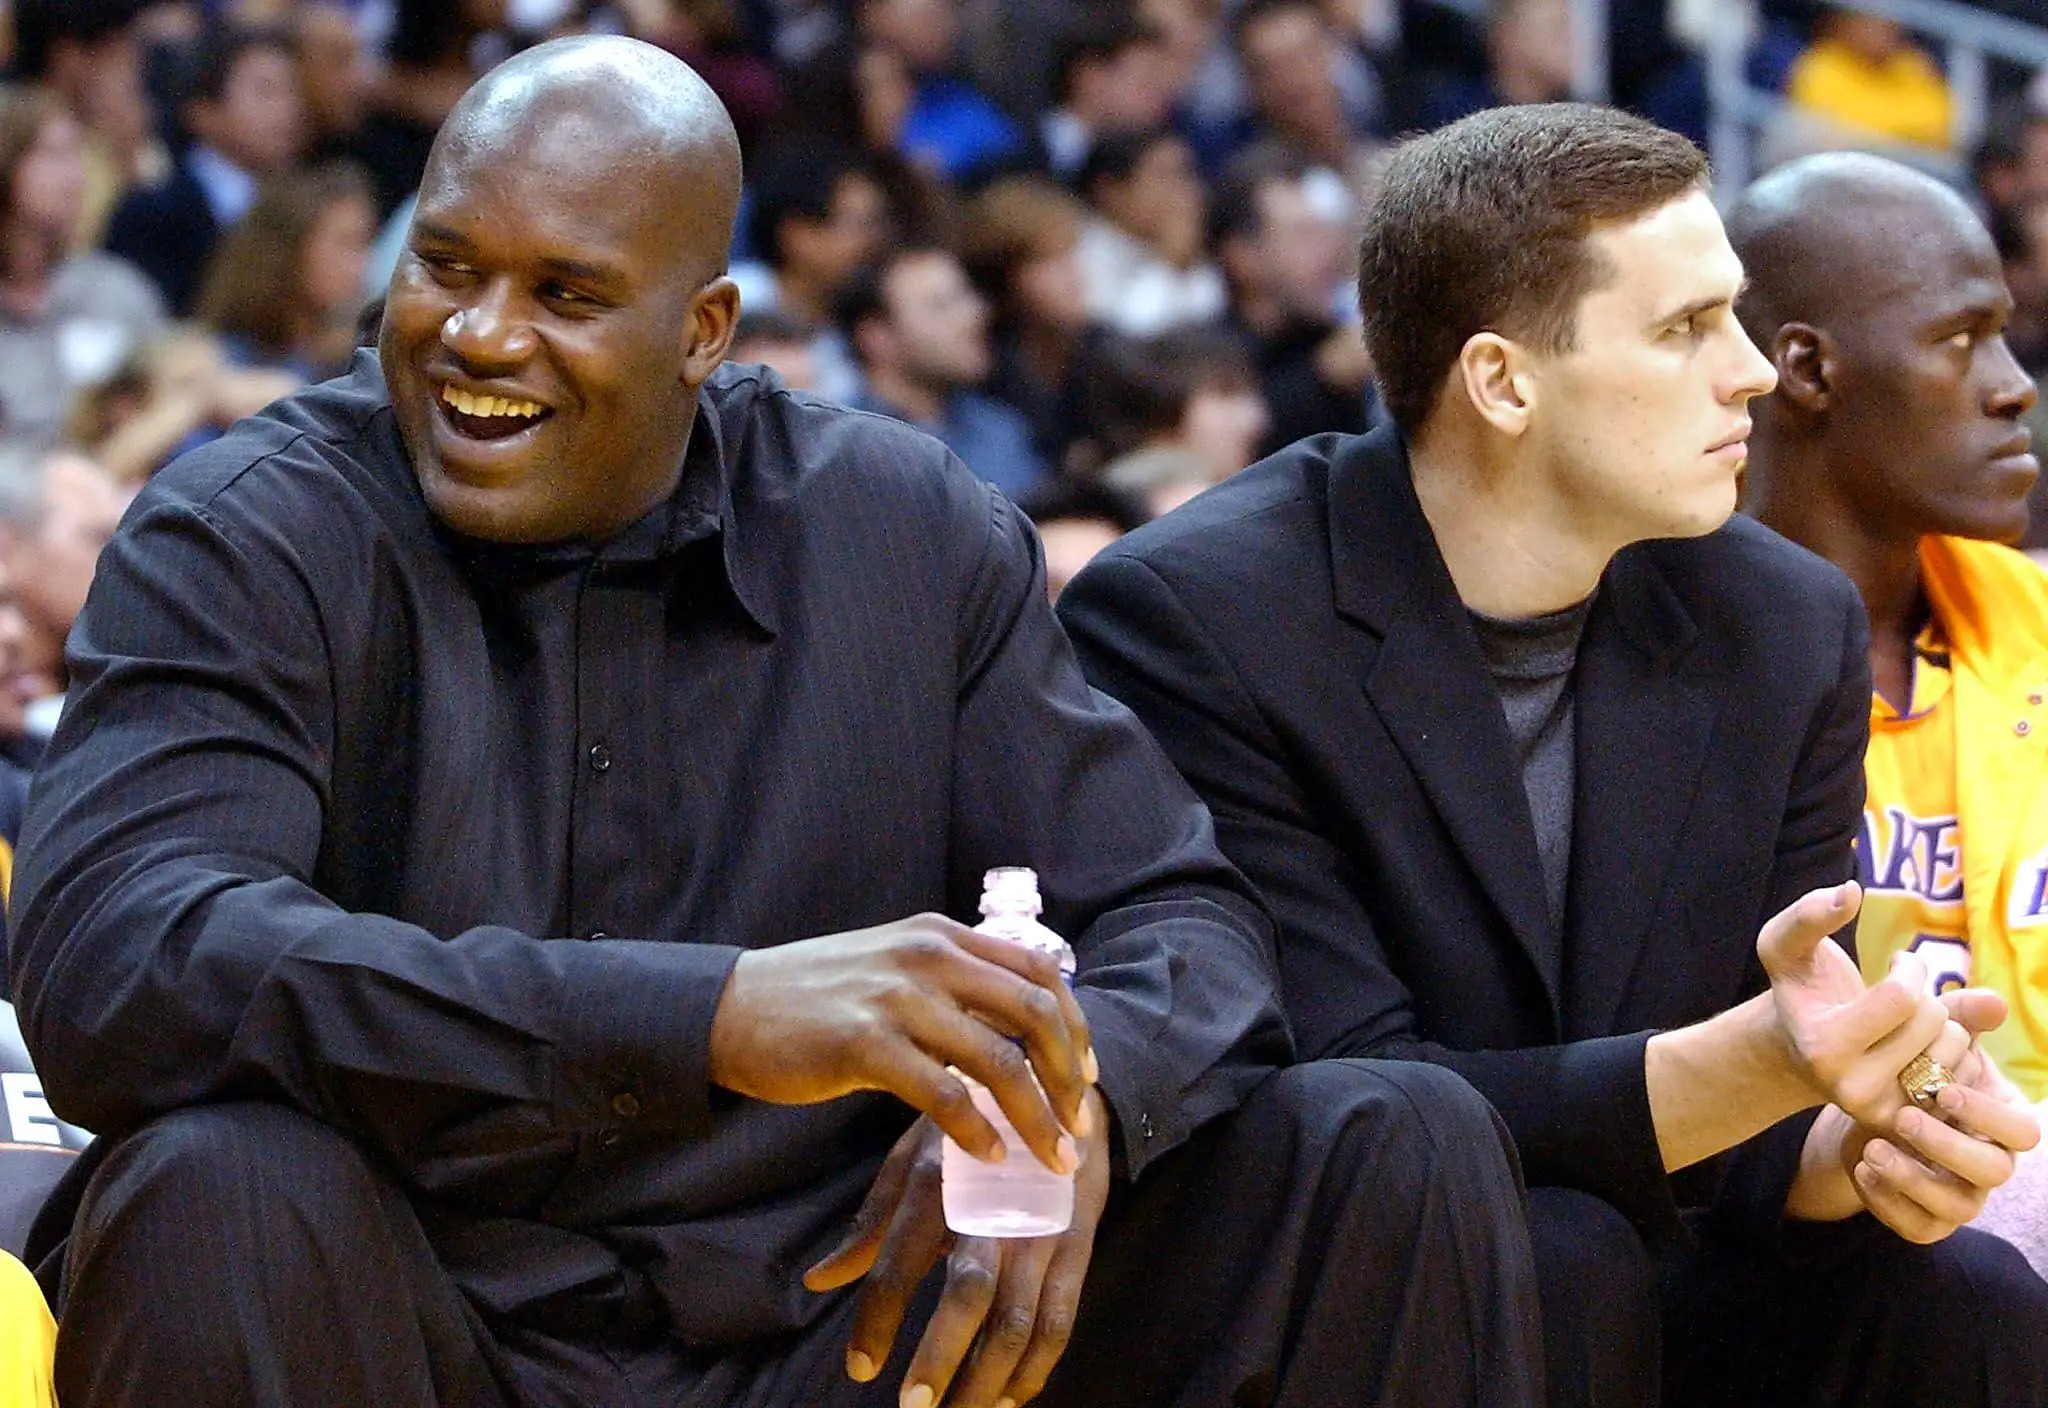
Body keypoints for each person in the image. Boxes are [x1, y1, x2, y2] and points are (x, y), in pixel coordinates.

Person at [9, 35, 1546, 1408]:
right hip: (412, 1312)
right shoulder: (249, 531)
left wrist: (1069, 1105)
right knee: (218, 1185)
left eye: (565, 294)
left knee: (1389, 1144)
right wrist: (708, 1015)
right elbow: (123, 956)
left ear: (705, 331)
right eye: (445, 266)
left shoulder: (900, 526)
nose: (478, 335)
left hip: (854, 1326)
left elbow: (1181, 919)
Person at [1059, 102, 2048, 1408]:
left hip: (1629, 1245)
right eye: (1688, 328)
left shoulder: (1782, 621)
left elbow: (1749, 1124)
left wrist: (1856, 1145)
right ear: (1503, 382)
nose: (1750, 369)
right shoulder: (1196, 617)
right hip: (1339, 1266)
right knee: (1555, 1252)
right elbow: (1342, 1104)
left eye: (1737, 316)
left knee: (1961, 1293)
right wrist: (1761, 1066)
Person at [1731, 153, 2048, 1283]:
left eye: (2004, 338)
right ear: (1806, 369)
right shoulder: (1665, 662)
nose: (2013, 385)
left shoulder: (2034, 617)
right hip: (1831, 1241)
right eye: (1960, 341)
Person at [102, 21, 305, 314]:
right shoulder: (152, 213)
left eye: (291, 91)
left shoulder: (300, 206)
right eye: (265, 92)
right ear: (203, 112)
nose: (288, 109)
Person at [842, 244, 1044, 499]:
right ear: (877, 337)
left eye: (966, 297)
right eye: (941, 306)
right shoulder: (843, 446)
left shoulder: (999, 428)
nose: (975, 315)